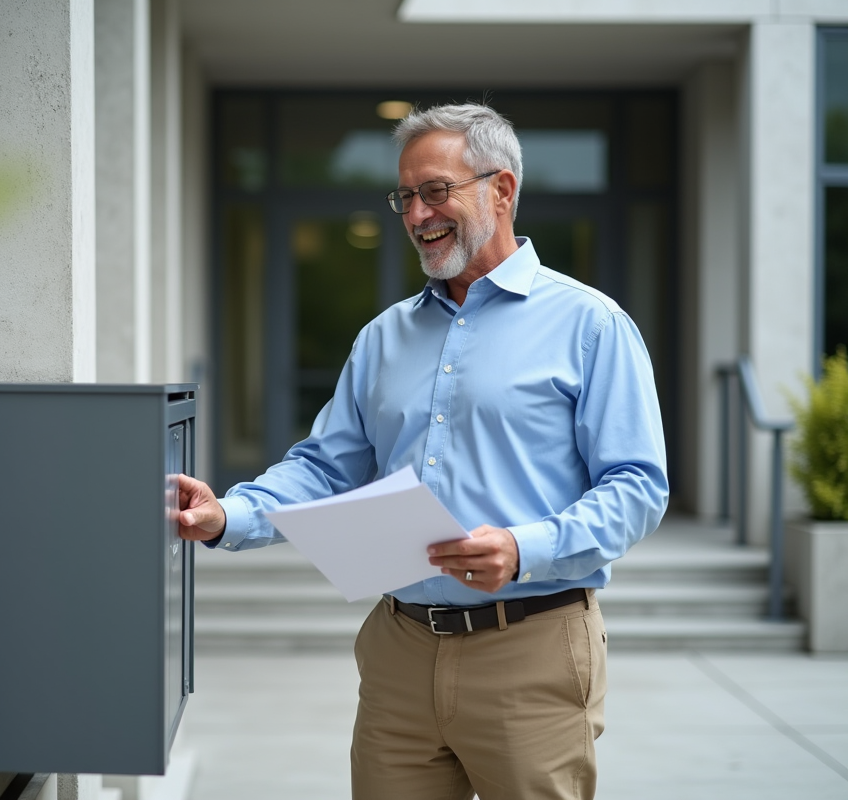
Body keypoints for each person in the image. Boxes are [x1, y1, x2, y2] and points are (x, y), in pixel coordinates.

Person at [177, 102, 668, 800]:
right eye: (405, 196)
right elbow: (322, 466)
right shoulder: (382, 337)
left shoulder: (591, 325)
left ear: (502, 191)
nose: (415, 214)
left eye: (436, 191)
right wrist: (228, 515)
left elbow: (637, 486)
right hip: (399, 653)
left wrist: (524, 548)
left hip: (531, 648)